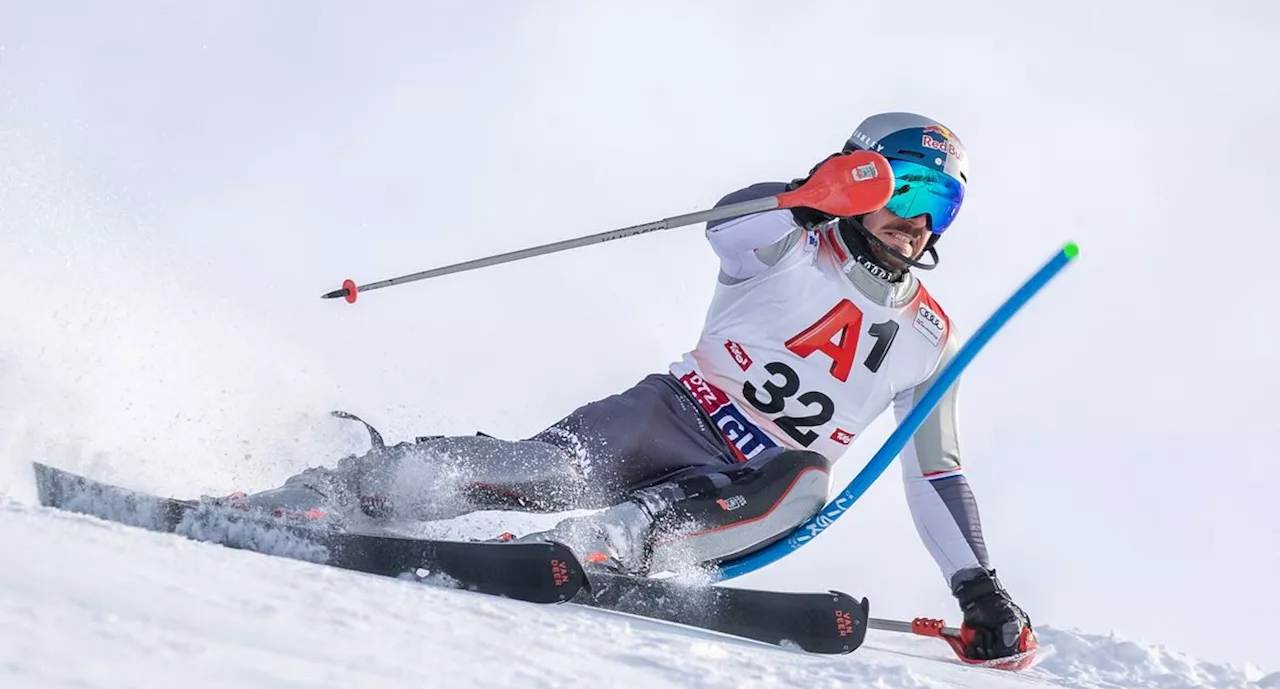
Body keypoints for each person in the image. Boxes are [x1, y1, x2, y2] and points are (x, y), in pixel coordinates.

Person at [226, 111, 1035, 661]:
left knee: (809, 481)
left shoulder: (930, 337)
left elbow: (936, 469)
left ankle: (608, 544)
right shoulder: (793, 242)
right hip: (669, 415)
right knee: (535, 472)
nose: (918, 219)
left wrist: (979, 589)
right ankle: (347, 485)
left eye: (942, 203)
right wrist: (816, 191)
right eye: (903, 190)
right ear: (861, 184)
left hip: (748, 487)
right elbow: (731, 224)